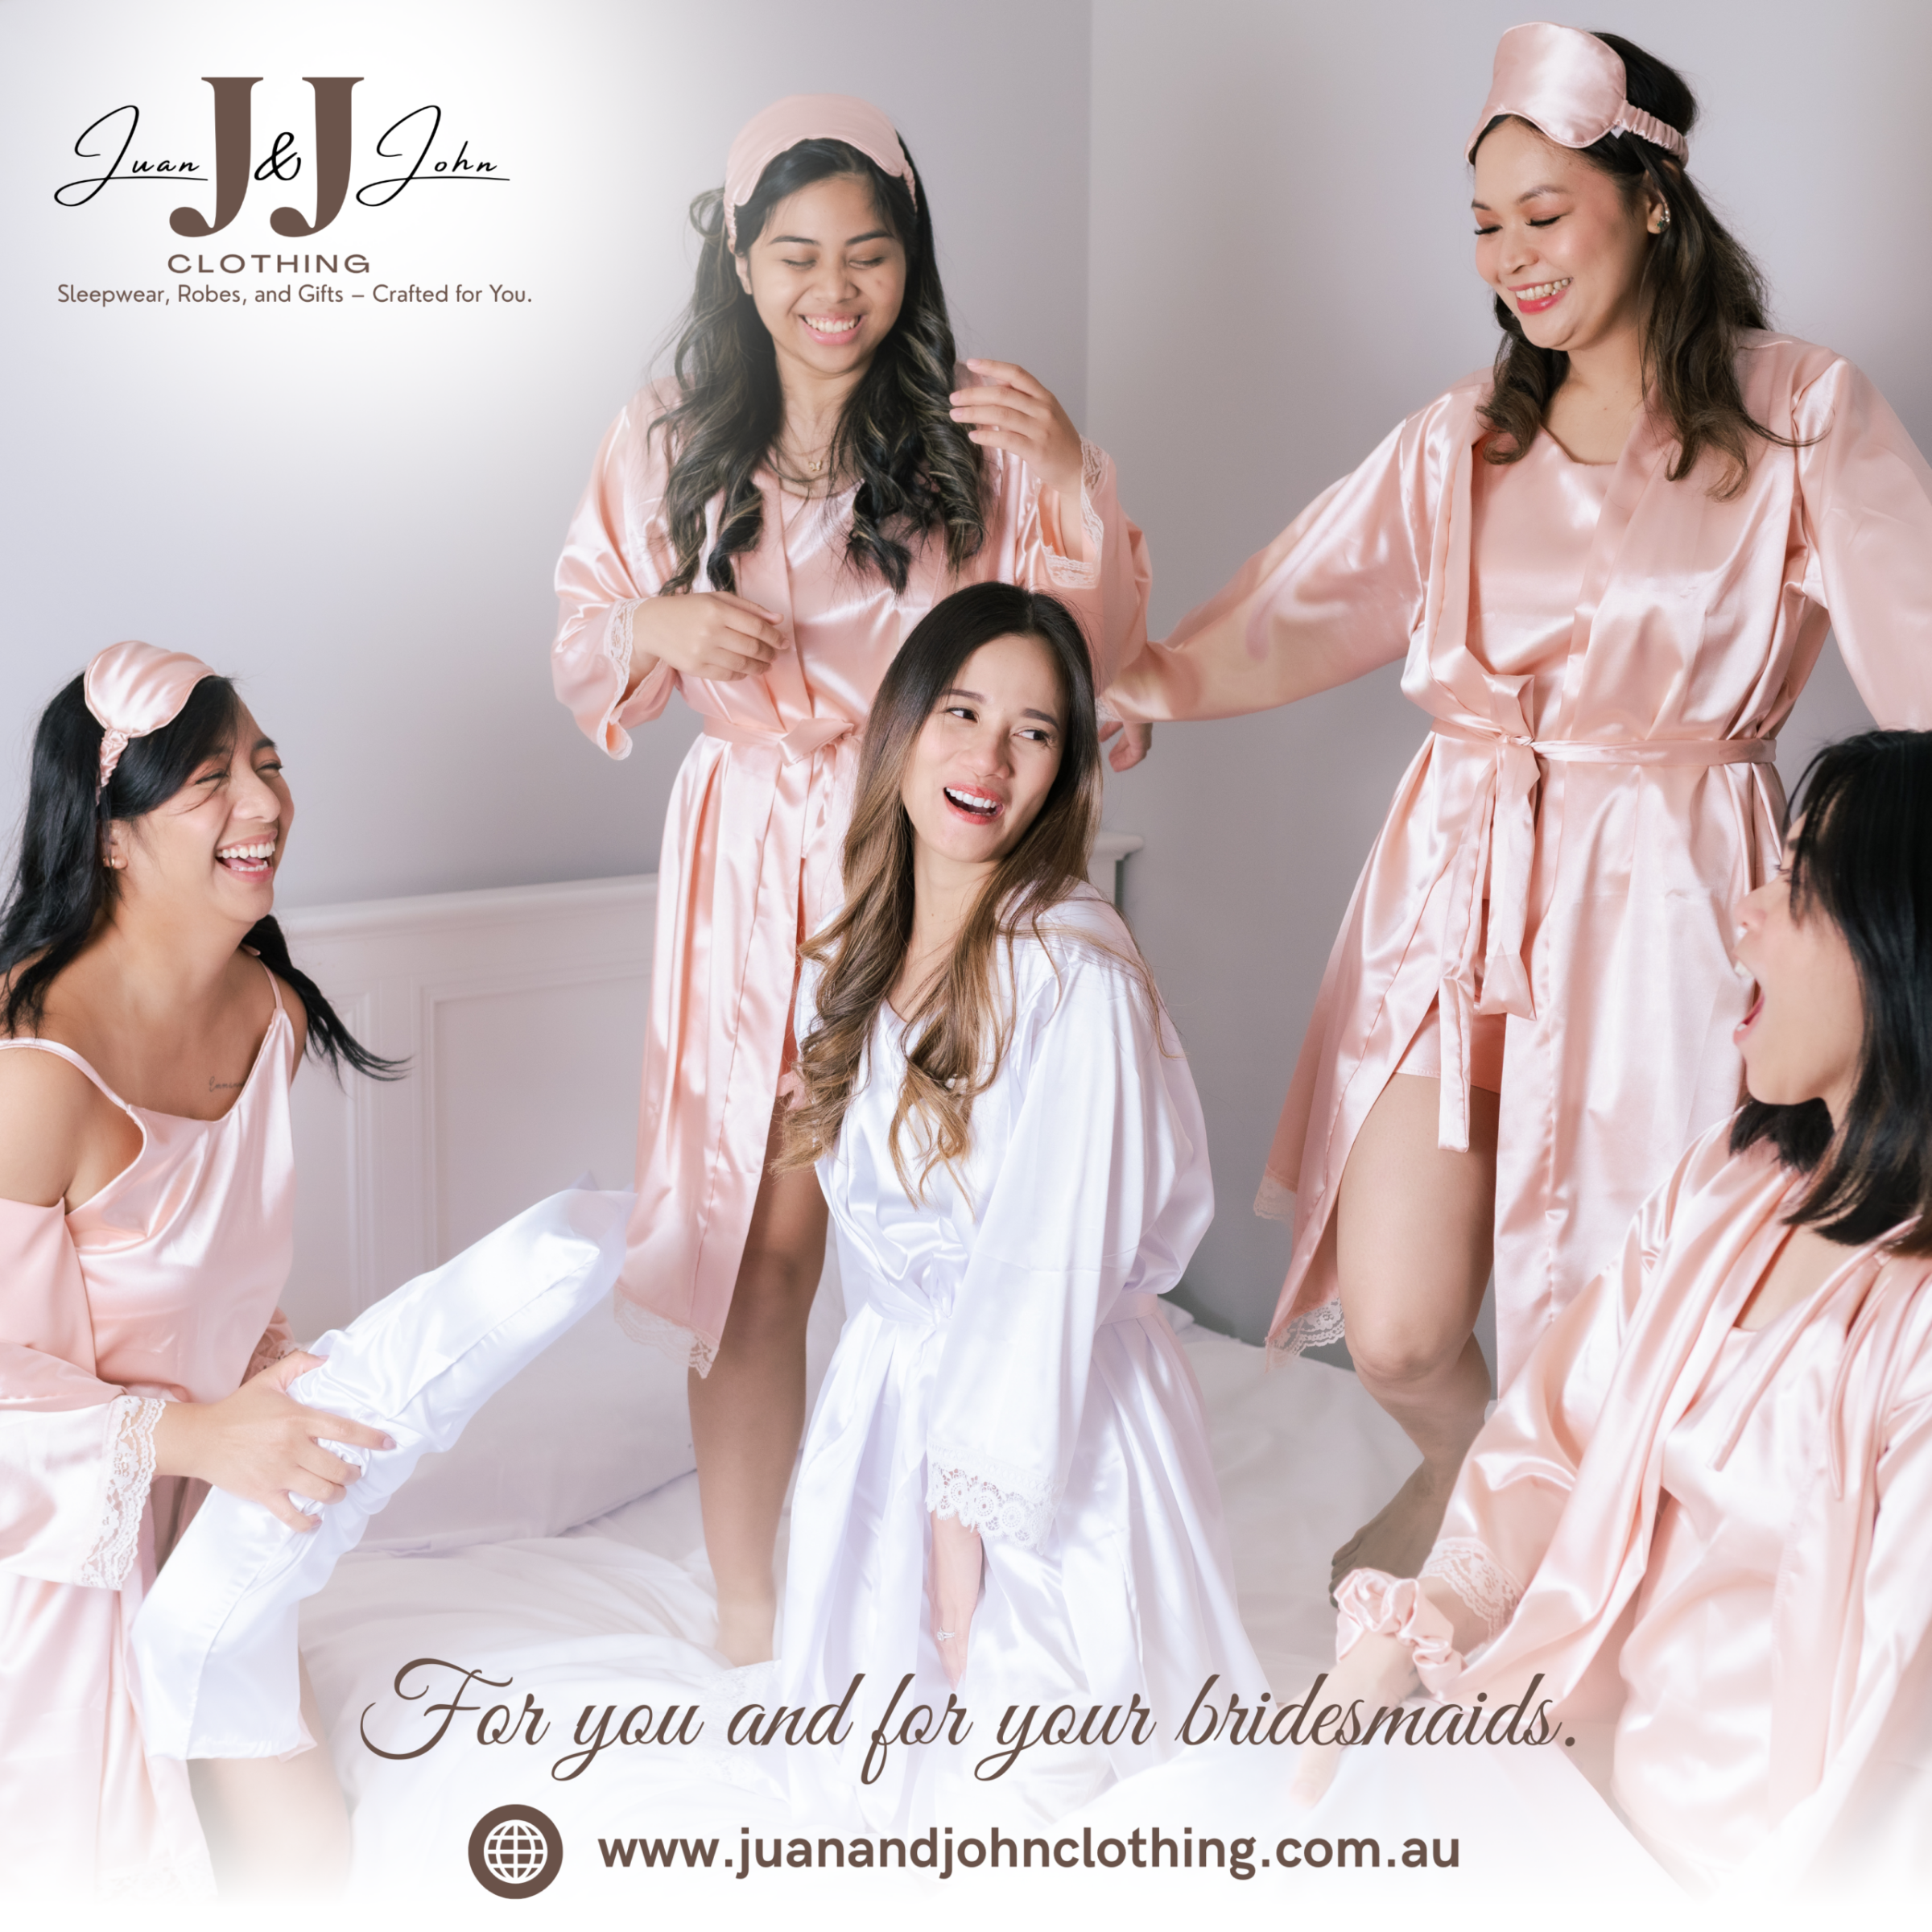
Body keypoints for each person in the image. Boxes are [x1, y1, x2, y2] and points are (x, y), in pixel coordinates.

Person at [1102, 23, 1932, 1585]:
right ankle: (1473, 1489)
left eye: (1544, 214)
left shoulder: (1803, 414)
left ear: (1653, 201)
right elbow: (1294, 610)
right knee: (1403, 1324)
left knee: (1639, 1303)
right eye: (1486, 226)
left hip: (1673, 896)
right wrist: (1140, 680)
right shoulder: (1464, 441)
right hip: (1459, 879)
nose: (1511, 259)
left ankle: (1587, 1591)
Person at [551, 94, 1152, 1664]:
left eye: (869, 254)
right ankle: (755, 1603)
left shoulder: (974, 426)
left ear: (910, 257)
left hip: (919, 854)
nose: (836, 289)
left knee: (932, 1232)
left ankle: (954, 1600)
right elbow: (583, 638)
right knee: (754, 1249)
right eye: (798, 254)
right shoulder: (669, 432)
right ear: (743, 261)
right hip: (748, 859)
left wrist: (1074, 479)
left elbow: (1085, 655)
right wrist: (655, 626)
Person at [1296, 729, 1932, 1893]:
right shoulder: (1728, 1188)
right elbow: (1551, 1447)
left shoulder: (1914, 1331)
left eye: (1798, 890)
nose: (1744, 913)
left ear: (1905, 953)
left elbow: (1892, 1746)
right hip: (1564, 1782)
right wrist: (1410, 1630)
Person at [774, 582, 1257, 1819]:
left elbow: (1045, 1273)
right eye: (962, 712)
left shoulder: (1074, 972)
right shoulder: (855, 957)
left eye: (1033, 732)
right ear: (902, 724)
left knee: (1044, 1797)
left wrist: (961, 1526)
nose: (989, 759)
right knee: (868, 1799)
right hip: (889, 1418)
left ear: (1064, 769)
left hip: (1043, 1429)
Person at [0, 643, 397, 1897]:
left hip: (208, 1515)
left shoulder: (271, 1017)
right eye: (211, 781)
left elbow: (222, 1299)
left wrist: (284, 1391)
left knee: (312, 1864)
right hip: (49, 1545)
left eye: (268, 766)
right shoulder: (34, 1076)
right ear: (112, 835)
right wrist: (200, 1440)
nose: (265, 803)